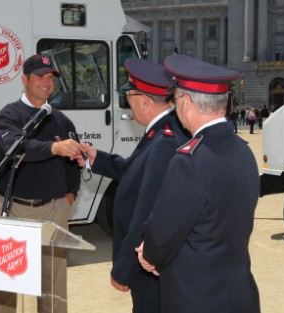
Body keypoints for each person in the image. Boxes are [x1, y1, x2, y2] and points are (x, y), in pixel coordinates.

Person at [136, 54, 261, 313]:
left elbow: (162, 232)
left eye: (176, 99)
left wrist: (149, 254)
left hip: (195, 298)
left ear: (187, 103)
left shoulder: (189, 160)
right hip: (239, 294)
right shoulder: (243, 150)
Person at [78, 58, 190, 313]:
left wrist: (124, 268)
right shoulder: (162, 132)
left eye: (129, 95)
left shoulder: (164, 141)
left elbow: (147, 215)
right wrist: (98, 159)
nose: (128, 102)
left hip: (148, 265)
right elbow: (137, 171)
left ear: (145, 100)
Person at [0, 54, 83, 313]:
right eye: (40, 76)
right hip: (13, 209)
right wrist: (54, 147)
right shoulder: (8, 115)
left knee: (53, 285)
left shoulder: (63, 121)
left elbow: (75, 163)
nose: (46, 82)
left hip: (53, 211)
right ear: (24, 79)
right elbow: (16, 148)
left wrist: (69, 197)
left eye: (50, 77)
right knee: (4, 284)